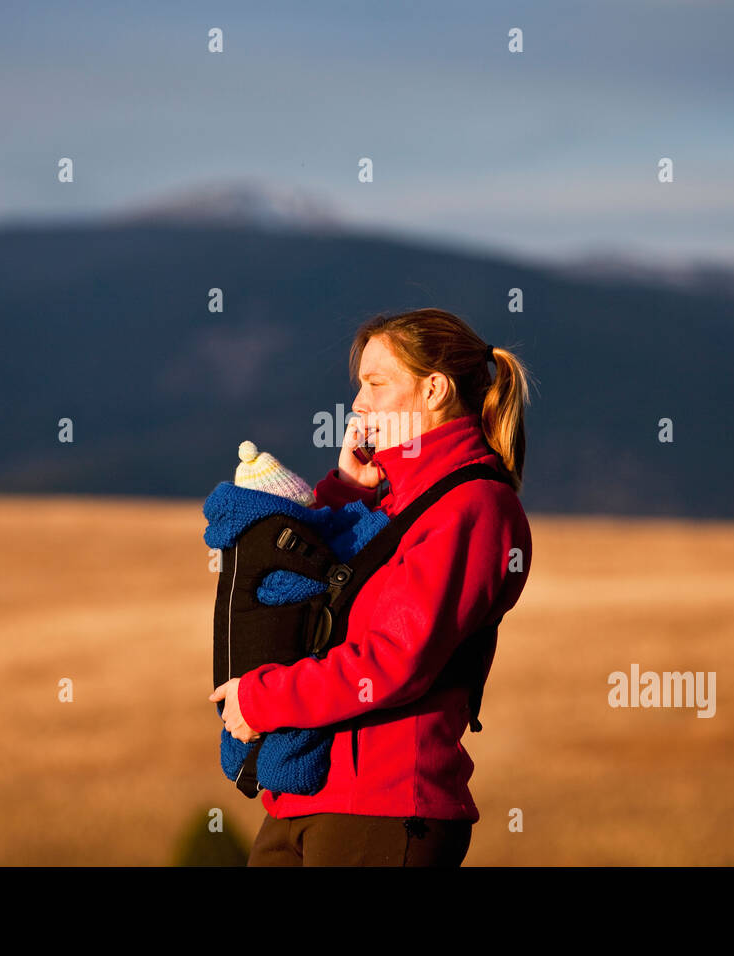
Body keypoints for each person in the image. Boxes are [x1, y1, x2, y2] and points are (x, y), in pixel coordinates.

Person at [209, 307, 533, 866]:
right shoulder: (397, 500)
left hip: (384, 809)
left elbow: (392, 660)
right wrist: (346, 493)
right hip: (309, 798)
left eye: (376, 384)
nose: (358, 403)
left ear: (434, 390)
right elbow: (320, 600)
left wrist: (262, 701)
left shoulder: (473, 507)